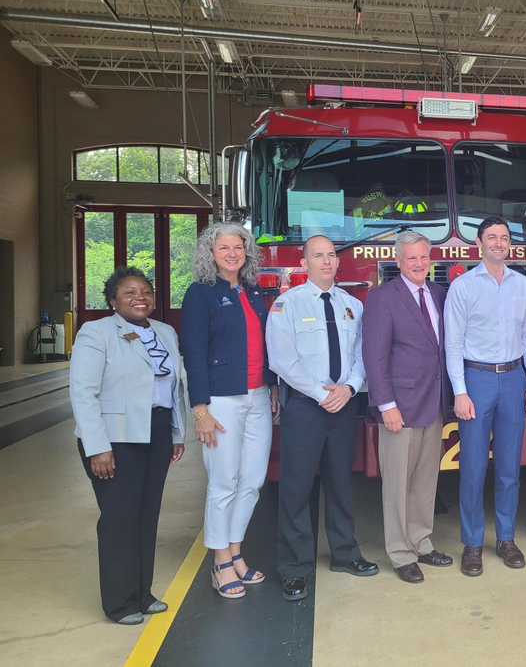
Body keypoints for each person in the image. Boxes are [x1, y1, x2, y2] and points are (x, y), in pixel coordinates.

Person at [69, 267, 188, 625]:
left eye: (147, 291)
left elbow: (174, 389)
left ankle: (141, 593)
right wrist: (97, 446)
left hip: (155, 431)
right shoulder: (97, 332)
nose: (141, 297)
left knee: (146, 516)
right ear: (112, 301)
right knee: (120, 519)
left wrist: (176, 433)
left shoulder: (165, 332)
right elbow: (83, 392)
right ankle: (119, 603)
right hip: (114, 436)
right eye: (130, 292)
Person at [266, 235, 377, 601]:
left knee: (341, 484)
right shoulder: (288, 304)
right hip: (305, 407)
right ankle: (294, 568)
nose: (327, 261)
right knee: (296, 488)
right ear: (304, 263)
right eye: (318, 256)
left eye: (331, 255)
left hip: (343, 405)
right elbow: (282, 360)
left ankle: (345, 553)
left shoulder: (351, 306)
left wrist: (350, 387)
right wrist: (320, 392)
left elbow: (364, 352)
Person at [181, 222, 278, 599]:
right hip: (221, 399)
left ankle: (236, 552)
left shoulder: (252, 293)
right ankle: (220, 561)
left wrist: (270, 386)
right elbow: (195, 354)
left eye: (238, 247)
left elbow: (265, 346)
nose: (232, 253)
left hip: (256, 397)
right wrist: (200, 409)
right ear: (210, 253)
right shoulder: (200, 294)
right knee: (223, 483)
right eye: (224, 248)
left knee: (252, 481)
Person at [445, 216, 526, 576]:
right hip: (476, 378)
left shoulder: (523, 285)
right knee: (471, 466)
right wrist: (460, 391)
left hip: (514, 378)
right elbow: (452, 343)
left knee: (508, 467)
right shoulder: (463, 287)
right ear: (479, 243)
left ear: (509, 243)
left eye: (504, 237)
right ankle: (471, 544)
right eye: (492, 237)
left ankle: (506, 538)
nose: (499, 243)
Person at [362, 231, 453, 584]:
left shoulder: (438, 293)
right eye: (411, 258)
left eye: (423, 257)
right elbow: (375, 355)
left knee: (426, 481)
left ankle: (421, 541)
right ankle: (400, 552)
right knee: (397, 483)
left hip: (434, 403)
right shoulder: (382, 297)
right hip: (400, 406)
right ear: (397, 261)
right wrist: (386, 405)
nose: (418, 264)